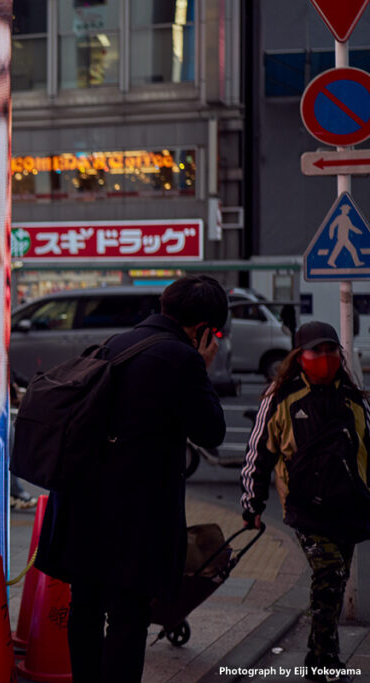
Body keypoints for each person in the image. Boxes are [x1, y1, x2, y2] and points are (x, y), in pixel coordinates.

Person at [35, 275, 227, 683]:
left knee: (86, 603)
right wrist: (204, 368)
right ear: (205, 329)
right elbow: (210, 431)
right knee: (128, 613)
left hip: (85, 503)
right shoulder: (182, 358)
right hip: (136, 515)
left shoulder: (117, 344)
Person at [241, 321, 370, 683]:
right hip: (305, 508)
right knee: (328, 576)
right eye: (317, 351)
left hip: (348, 506)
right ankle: (325, 663)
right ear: (300, 356)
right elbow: (257, 456)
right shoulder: (280, 398)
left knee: (336, 580)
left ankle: (315, 657)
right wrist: (252, 504)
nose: (326, 358)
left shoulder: (353, 398)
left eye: (332, 350)